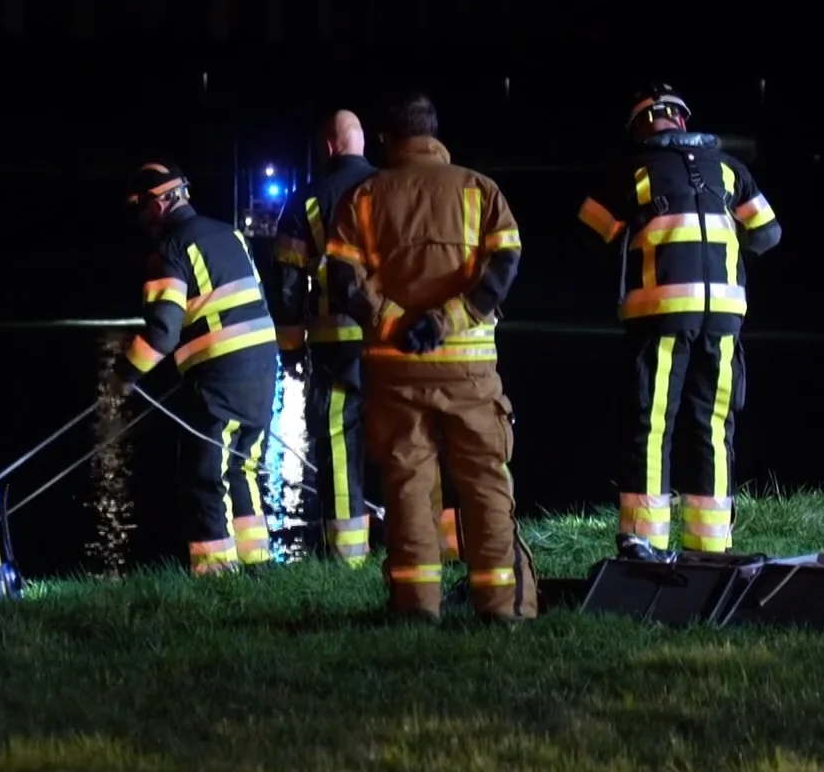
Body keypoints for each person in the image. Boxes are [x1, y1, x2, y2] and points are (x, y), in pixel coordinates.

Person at [325, 93, 538, 624]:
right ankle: (504, 607)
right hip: (470, 370)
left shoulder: (363, 197)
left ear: (387, 140)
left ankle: (416, 606)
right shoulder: (479, 189)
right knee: (485, 483)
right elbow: (505, 264)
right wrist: (450, 319)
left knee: (407, 485)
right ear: (434, 134)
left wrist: (396, 322)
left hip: (395, 369)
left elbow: (345, 281)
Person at [574, 84, 783, 559]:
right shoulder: (729, 168)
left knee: (651, 427)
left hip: (661, 315)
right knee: (713, 426)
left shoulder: (632, 170)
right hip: (725, 317)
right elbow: (768, 234)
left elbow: (590, 230)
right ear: (683, 121)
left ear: (638, 129)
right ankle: (711, 549)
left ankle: (644, 545)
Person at [109, 161, 281, 575]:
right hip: (262, 367)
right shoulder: (230, 234)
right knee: (241, 466)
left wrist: (124, 375)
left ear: (156, 204)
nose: (142, 223)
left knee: (205, 474)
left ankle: (216, 575)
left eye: (141, 211)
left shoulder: (169, 250)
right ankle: (257, 566)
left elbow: (162, 333)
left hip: (221, 376)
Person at [269, 110, 378, 566]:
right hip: (397, 338)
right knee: (410, 438)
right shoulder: (392, 189)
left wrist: (291, 349)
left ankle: (348, 556)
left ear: (329, 147)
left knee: (338, 441)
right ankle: (424, 544)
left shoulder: (304, 202)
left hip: (335, 346)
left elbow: (287, 286)